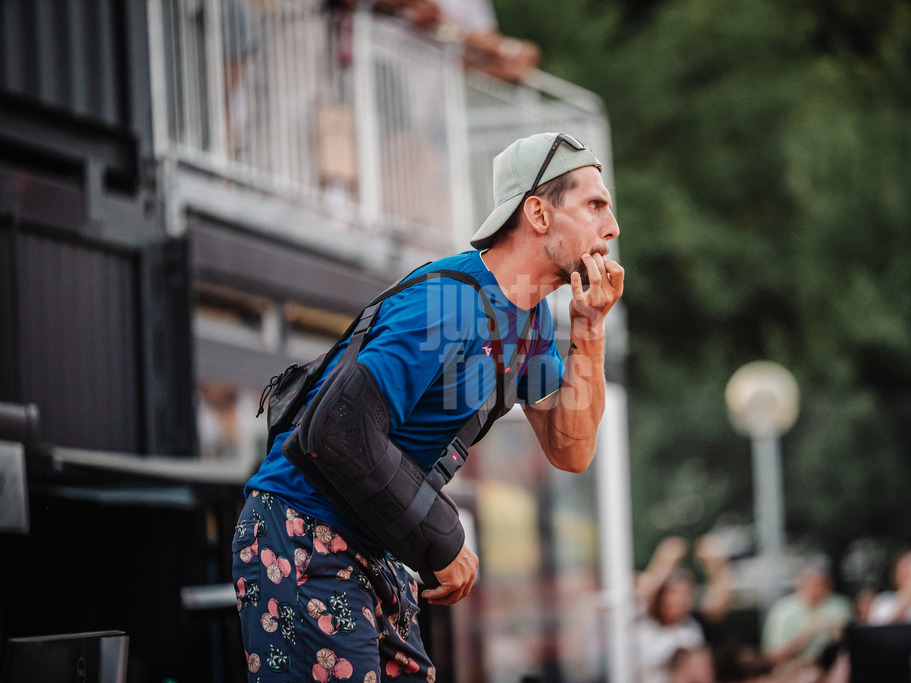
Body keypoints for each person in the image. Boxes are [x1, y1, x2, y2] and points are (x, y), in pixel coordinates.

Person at [231, 131, 623, 681]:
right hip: (301, 531)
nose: (613, 226)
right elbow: (336, 431)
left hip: (373, 541)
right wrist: (443, 537)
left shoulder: (533, 325)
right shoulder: (447, 304)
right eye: (595, 205)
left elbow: (571, 450)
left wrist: (590, 328)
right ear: (538, 213)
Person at [635, 535, 735, 683]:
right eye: (673, 593)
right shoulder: (645, 624)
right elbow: (644, 591)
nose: (679, 599)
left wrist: (716, 563)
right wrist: (665, 560)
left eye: (685, 594)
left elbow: (721, 601)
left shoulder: (694, 624)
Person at [760, 556, 853, 672]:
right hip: (792, 671)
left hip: (832, 671)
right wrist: (803, 638)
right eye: (810, 581)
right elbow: (770, 657)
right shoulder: (782, 610)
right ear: (800, 582)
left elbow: (852, 647)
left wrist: (838, 636)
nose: (815, 587)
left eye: (821, 583)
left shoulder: (840, 606)